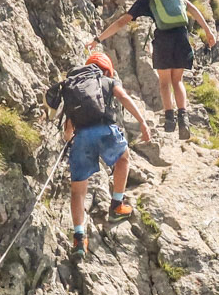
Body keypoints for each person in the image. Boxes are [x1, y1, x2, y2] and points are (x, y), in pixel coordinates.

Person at [52, 48, 152, 256]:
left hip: (81, 138)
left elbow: (68, 131)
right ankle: (116, 205)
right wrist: (142, 121)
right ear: (107, 70)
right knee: (123, 158)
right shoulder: (106, 81)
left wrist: (71, 138)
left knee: (78, 190)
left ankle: (79, 239)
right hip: (104, 129)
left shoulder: (74, 87)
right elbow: (123, 96)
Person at [94, 0, 218, 139]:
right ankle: (184, 119)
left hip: (164, 41)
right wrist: (209, 32)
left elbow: (123, 21)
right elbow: (193, 9)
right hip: (182, 37)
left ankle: (169, 120)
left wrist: (98, 38)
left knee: (165, 82)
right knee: (178, 80)